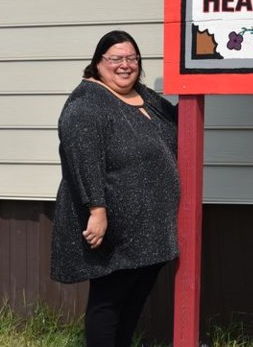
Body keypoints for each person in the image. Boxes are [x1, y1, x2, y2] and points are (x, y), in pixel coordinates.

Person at [51, 30, 180, 347]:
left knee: (134, 300)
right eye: (115, 59)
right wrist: (97, 210)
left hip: (151, 227)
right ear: (97, 64)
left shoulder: (143, 96)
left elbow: (178, 122)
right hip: (118, 226)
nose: (125, 65)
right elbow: (83, 161)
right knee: (110, 301)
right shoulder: (86, 106)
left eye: (131, 58)